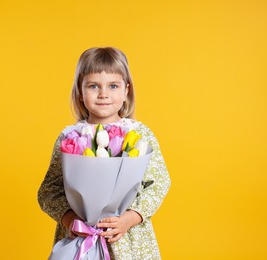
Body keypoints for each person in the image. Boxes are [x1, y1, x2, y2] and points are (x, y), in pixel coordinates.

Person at [38, 47, 171, 259]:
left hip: (128, 241)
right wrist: (70, 219)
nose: (103, 94)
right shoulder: (69, 138)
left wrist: (130, 218)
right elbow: (49, 191)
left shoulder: (139, 135)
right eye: (93, 86)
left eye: (113, 86)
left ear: (126, 90)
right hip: (80, 237)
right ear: (80, 92)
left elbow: (158, 182)